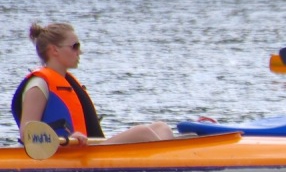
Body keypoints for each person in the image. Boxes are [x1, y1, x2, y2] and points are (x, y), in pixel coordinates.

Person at [12, 22, 173, 145]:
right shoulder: (38, 85)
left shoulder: (67, 81)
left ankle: (171, 161)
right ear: (54, 50)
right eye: (75, 46)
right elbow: (27, 133)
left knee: (162, 127)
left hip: (88, 149)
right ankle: (172, 166)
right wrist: (63, 139)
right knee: (142, 132)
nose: (80, 51)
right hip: (65, 154)